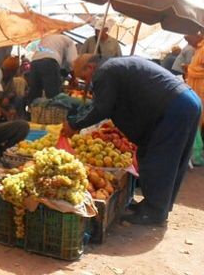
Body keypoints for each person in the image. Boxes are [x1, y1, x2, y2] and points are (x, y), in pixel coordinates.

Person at [62, 54, 201, 225]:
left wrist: (75, 125)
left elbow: (102, 108)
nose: (87, 82)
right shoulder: (114, 66)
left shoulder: (104, 72)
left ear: (90, 68)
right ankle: (155, 206)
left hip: (176, 105)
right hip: (185, 100)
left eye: (84, 77)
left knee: (160, 159)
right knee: (155, 154)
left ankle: (154, 213)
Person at [26, 32, 78, 105]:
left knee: (35, 94)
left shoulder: (48, 38)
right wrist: (74, 78)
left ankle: (33, 113)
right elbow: (71, 61)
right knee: (53, 96)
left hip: (34, 62)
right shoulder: (70, 42)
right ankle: (53, 115)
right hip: (49, 62)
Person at [186, 35, 204, 161]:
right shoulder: (198, 49)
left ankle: (198, 154)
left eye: (189, 39)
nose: (188, 42)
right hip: (195, 89)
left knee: (200, 119)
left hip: (201, 89)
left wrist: (190, 69)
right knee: (197, 119)